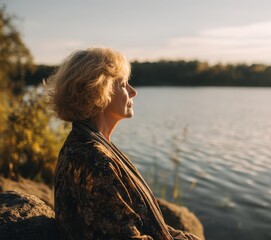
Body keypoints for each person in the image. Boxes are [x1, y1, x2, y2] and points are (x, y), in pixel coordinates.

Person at [47, 48, 201, 240]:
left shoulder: (89, 145)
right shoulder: (93, 160)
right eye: (123, 84)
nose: (133, 92)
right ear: (99, 90)